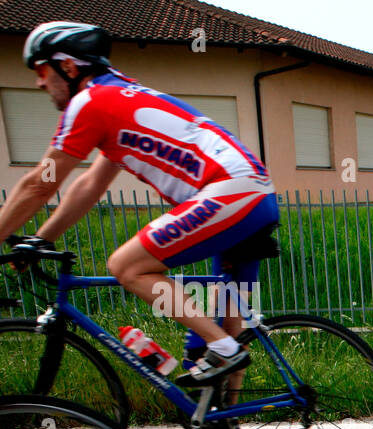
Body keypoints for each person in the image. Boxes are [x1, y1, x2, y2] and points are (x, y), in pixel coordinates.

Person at [0, 21, 279, 384]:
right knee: (227, 318)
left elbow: (42, 181)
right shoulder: (120, 97)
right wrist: (43, 238)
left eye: (40, 70)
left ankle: (225, 352)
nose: (38, 82)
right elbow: (91, 184)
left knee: (126, 266)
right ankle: (226, 418)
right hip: (252, 193)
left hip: (229, 191)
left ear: (68, 67)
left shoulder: (90, 102)